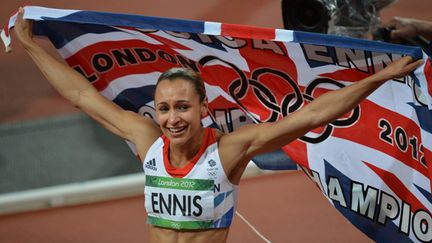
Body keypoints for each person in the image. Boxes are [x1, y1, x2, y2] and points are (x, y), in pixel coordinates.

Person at [11, 7, 423, 243]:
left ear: (203, 107)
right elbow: (81, 96)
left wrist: (375, 80)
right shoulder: (146, 139)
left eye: (182, 108)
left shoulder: (227, 151)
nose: (173, 119)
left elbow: (312, 115)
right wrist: (30, 45)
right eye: (165, 108)